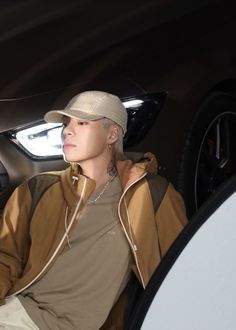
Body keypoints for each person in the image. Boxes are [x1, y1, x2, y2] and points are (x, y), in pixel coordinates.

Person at [0, 90, 188, 329]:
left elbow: (183, 269)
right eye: (66, 124)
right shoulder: (38, 189)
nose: (67, 130)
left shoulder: (151, 194)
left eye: (82, 123)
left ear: (112, 134)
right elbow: (6, 256)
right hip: (15, 313)